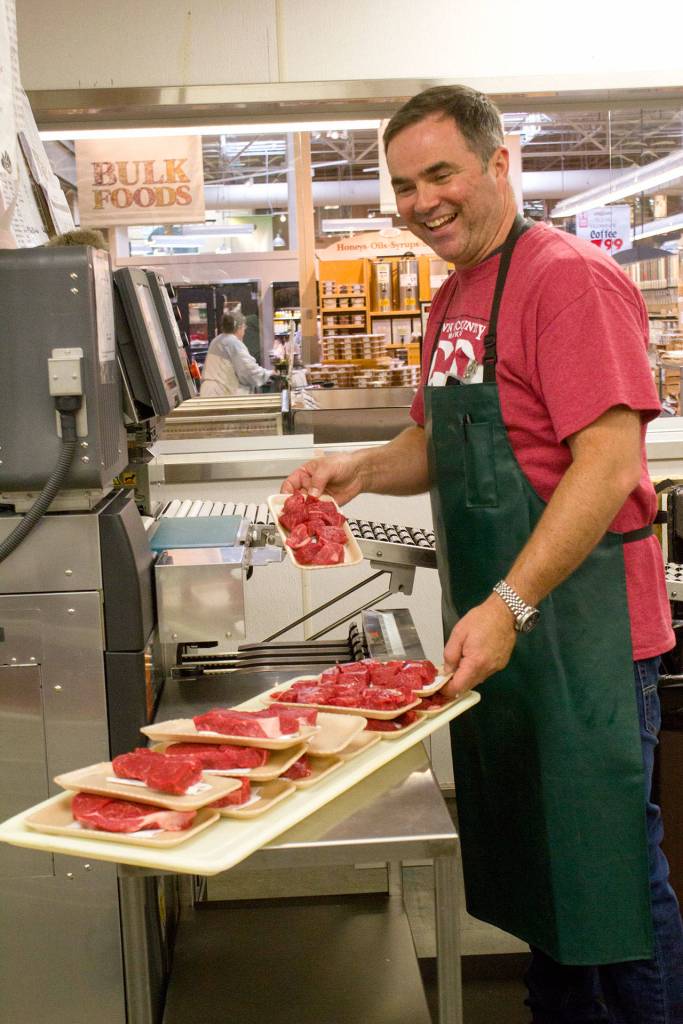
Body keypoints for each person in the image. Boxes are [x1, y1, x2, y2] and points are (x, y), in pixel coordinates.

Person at [283, 85, 683, 1023]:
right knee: (548, 876)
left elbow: (607, 461)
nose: (421, 201)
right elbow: (433, 442)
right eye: (403, 185)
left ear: (499, 164)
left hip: (583, 635)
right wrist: (358, 468)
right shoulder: (455, 294)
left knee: (609, 877)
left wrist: (511, 604)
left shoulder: (566, 279)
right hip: (508, 629)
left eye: (439, 174)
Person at [200, 310, 275, 397]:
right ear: (239, 327)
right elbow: (248, 371)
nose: (244, 331)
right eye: (244, 328)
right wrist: (270, 373)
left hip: (207, 392)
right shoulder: (233, 343)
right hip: (222, 393)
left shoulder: (216, 340)